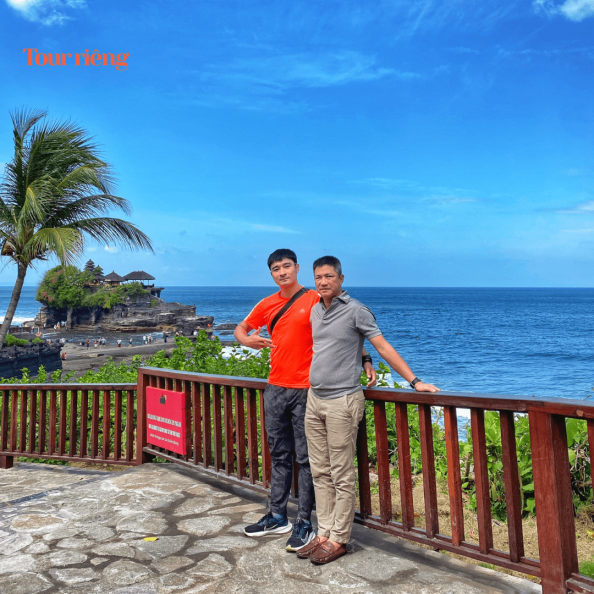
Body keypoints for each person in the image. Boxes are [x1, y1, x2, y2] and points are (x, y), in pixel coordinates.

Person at [297, 256, 440, 565]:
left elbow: (383, 346)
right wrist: (364, 359)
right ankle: (323, 532)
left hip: (342, 401)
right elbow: (342, 342)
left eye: (329, 276)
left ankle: (339, 538)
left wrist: (415, 382)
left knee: (341, 474)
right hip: (315, 399)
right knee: (320, 471)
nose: (323, 281)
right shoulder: (316, 310)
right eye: (318, 277)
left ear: (341, 278)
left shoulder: (357, 310)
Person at [234, 249, 376, 552]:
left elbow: (343, 333)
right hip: (275, 387)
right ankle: (277, 516)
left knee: (308, 460)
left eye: (287, 266)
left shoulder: (314, 298)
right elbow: (241, 328)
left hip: (307, 390)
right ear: (271, 274)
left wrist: (365, 358)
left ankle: (305, 522)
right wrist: (246, 339)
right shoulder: (267, 304)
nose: (282, 272)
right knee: (279, 454)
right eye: (276, 268)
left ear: (297, 268)